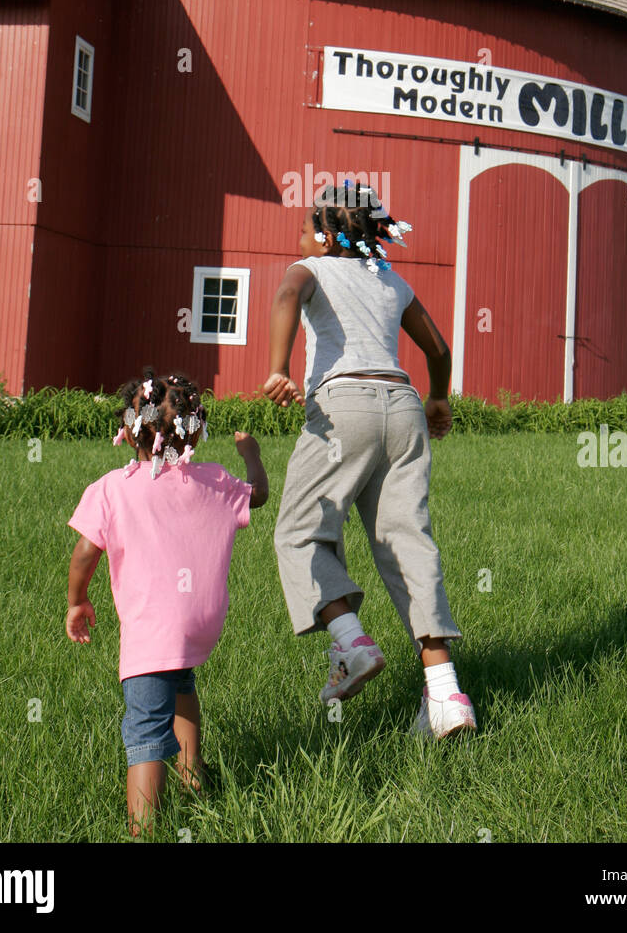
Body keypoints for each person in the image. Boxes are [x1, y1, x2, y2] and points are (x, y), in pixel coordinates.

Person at [265, 183, 476, 739]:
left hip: (343, 407)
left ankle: (352, 643)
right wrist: (439, 396)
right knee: (408, 541)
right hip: (403, 407)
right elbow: (439, 349)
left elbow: (286, 296)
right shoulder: (391, 280)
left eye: (307, 223)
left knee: (298, 533)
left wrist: (279, 367)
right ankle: (446, 693)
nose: (301, 232)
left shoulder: (310, 267)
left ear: (325, 233)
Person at [65, 369, 268, 835]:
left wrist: (77, 600)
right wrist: (251, 454)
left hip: (151, 631)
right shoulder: (214, 480)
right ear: (194, 428)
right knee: (181, 685)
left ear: (129, 427)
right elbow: (258, 495)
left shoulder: (112, 488)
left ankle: (145, 830)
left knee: (145, 730)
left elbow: (84, 552)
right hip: (200, 623)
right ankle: (193, 776)